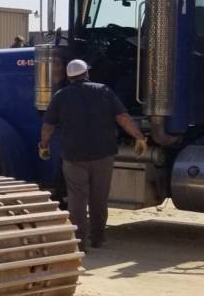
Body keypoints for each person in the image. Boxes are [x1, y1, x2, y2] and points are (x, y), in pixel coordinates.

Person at [38, 59, 146, 248]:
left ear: (69, 77)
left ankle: (79, 242)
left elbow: (48, 127)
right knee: (99, 197)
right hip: (103, 154)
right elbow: (123, 118)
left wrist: (44, 146)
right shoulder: (104, 91)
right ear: (87, 73)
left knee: (77, 199)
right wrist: (139, 137)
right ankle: (98, 238)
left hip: (74, 156)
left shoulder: (60, 96)